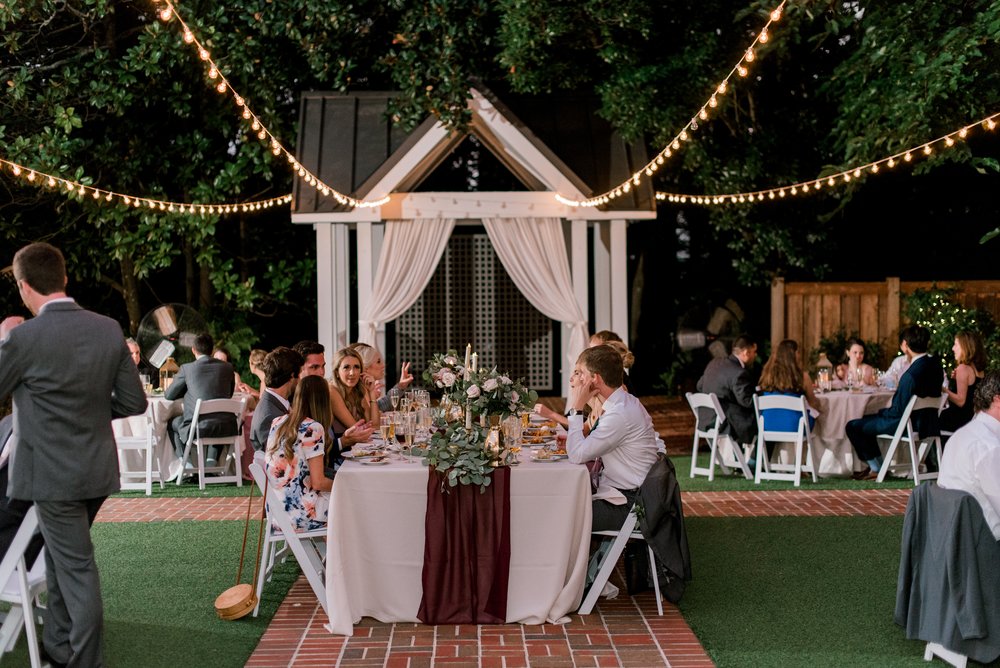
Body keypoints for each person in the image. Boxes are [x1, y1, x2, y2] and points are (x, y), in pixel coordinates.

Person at [0, 242, 147, 667]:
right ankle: (59, 648)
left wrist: (4, 341)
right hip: (96, 470)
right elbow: (134, 402)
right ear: (64, 279)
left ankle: (84, 661)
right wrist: (94, 414)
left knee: (77, 566)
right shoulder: (108, 327)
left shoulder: (23, 338)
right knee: (62, 557)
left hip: (51, 476)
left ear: (24, 287)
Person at [564, 345, 659, 531]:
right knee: (563, 504)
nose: (573, 378)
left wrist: (577, 407)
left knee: (562, 515)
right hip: (627, 494)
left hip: (630, 505)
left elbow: (576, 455)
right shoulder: (622, 403)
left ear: (595, 378)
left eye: (580, 373)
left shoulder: (619, 413)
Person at [846, 325, 943, 480]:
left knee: (853, 426)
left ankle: (877, 468)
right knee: (866, 421)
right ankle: (879, 468)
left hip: (907, 424)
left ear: (906, 345)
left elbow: (897, 412)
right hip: (929, 422)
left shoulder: (910, 375)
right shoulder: (935, 366)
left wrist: (881, 412)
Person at [265, 376, 336, 531]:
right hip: (301, 515)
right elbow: (318, 483)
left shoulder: (278, 422)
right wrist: (346, 485)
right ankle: (344, 553)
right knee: (354, 500)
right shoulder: (313, 428)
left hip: (278, 513)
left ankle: (332, 552)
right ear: (323, 401)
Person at [938, 371, 1000, 540]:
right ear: (997, 399)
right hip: (983, 541)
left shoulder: (962, 434)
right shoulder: (989, 446)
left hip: (952, 534)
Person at [165, 332, 237, 462]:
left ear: (193, 350)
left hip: (199, 428)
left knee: (172, 423)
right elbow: (229, 394)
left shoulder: (187, 368)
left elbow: (169, 395)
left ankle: (187, 465)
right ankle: (211, 462)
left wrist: (186, 389)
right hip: (227, 427)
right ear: (212, 350)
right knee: (216, 419)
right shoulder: (228, 367)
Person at [696, 335, 759, 447]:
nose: (756, 355)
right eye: (754, 351)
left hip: (705, 419)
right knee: (763, 422)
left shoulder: (714, 364)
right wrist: (760, 394)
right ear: (745, 352)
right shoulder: (739, 373)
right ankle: (754, 461)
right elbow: (747, 401)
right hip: (725, 423)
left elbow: (700, 386)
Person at [758, 339, 820, 431]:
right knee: (816, 414)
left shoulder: (767, 375)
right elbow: (813, 402)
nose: (799, 355)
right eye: (798, 352)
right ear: (793, 354)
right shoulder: (802, 377)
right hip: (795, 426)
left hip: (768, 425)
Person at [250, 347, 303, 452]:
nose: (301, 379)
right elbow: (280, 460)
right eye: (300, 374)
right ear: (292, 376)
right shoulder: (269, 416)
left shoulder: (277, 403)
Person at [940, 331, 987, 434]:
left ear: (965, 347)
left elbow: (961, 402)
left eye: (956, 344)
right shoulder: (979, 370)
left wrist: (942, 389)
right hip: (972, 419)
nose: (953, 348)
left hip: (959, 421)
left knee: (926, 422)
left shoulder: (963, 368)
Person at [352, 342, 413, 413]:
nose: (383, 365)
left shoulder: (365, 388)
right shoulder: (358, 393)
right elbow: (370, 419)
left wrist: (401, 385)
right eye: (378, 362)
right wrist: (371, 397)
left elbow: (381, 406)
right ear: (366, 368)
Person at [329, 346, 379, 433]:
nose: (352, 373)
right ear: (337, 372)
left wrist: (371, 392)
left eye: (356, 367)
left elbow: (375, 426)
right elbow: (356, 429)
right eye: (346, 367)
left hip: (358, 444)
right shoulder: (332, 391)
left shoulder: (358, 390)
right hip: (342, 445)